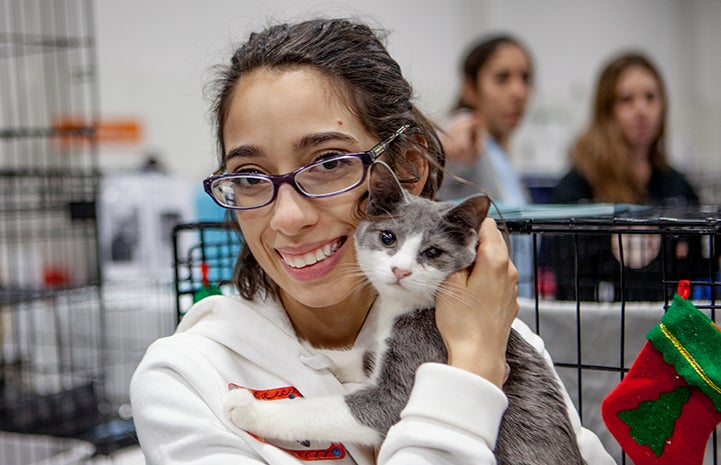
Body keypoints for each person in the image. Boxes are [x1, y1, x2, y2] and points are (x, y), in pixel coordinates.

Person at [130, 18, 614, 464]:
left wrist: (477, 351)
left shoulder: (497, 334)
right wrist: (471, 372)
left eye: (328, 163)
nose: (288, 217)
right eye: (251, 175)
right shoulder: (185, 380)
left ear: (407, 171)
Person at [548, 52, 705, 301]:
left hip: (667, 329)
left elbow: (697, 269)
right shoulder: (577, 186)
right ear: (606, 110)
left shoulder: (676, 184)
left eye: (650, 97)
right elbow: (567, 278)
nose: (641, 109)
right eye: (626, 99)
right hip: (597, 329)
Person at [437, 34, 534, 205]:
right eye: (502, 78)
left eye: (525, 78)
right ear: (469, 88)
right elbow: (461, 132)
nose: (519, 92)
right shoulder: (469, 139)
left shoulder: (498, 153)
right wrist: (462, 124)